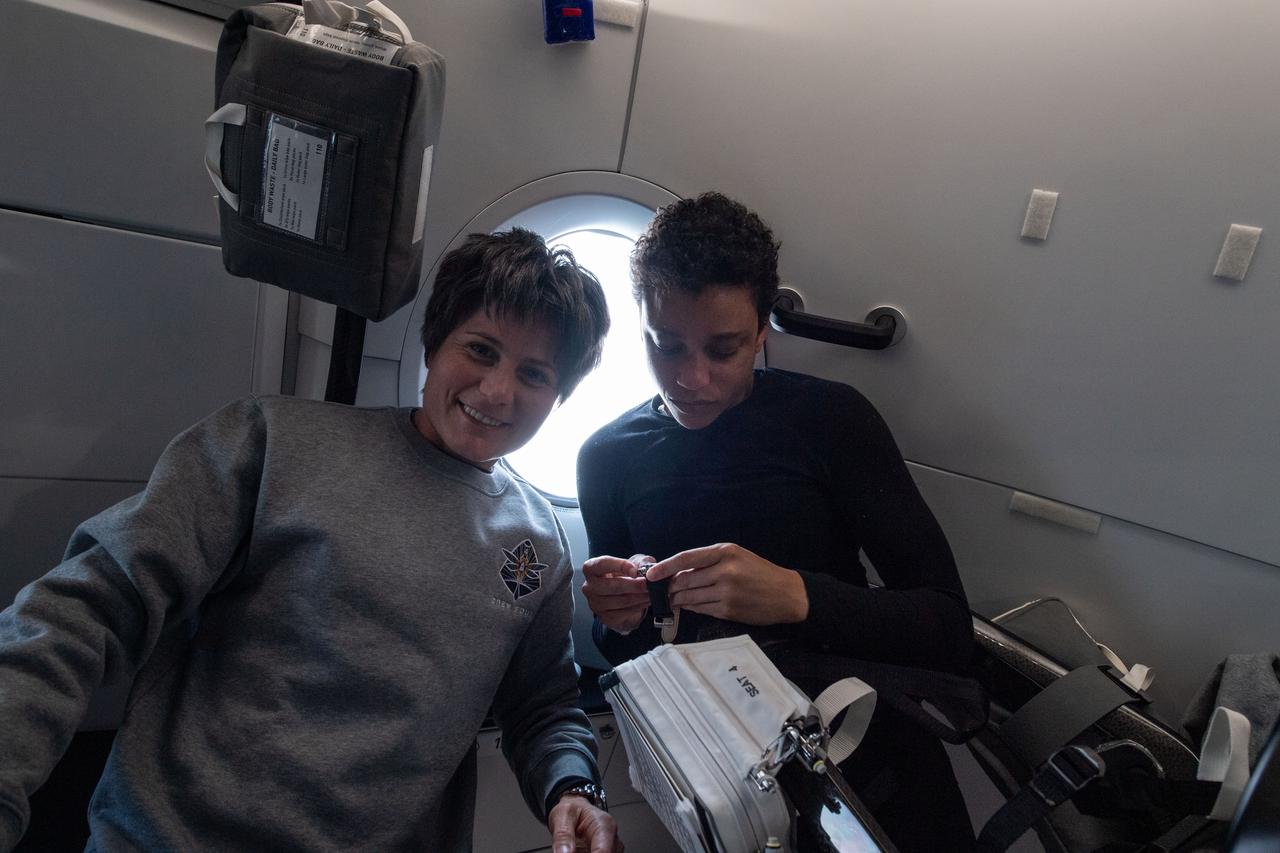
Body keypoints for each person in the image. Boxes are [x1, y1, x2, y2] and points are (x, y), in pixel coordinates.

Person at [0, 228, 621, 853]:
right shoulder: (275, 444)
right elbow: (92, 602)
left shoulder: (539, 546)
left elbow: (543, 708)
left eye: (534, 374)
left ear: (559, 396)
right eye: (481, 351)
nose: (497, 392)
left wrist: (573, 788)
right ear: (434, 344)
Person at [577, 193, 976, 850]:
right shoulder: (607, 455)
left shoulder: (833, 420)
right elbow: (624, 649)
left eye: (723, 348)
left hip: (868, 754)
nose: (692, 377)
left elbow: (947, 627)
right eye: (665, 345)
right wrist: (619, 613)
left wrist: (796, 596)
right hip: (726, 778)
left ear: (762, 331)